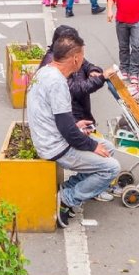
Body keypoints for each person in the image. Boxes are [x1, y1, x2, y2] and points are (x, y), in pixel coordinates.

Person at [26, 33, 120, 229]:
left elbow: (59, 120)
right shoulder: (58, 83)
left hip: (50, 136)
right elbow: (67, 130)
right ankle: (68, 198)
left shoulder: (45, 71)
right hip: (54, 146)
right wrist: (91, 145)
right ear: (76, 58)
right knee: (111, 168)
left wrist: (77, 128)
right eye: (82, 56)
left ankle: (69, 186)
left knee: (108, 148)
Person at [39, 25, 107, 123]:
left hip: (81, 112)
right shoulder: (52, 65)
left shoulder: (70, 54)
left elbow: (87, 65)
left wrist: (93, 71)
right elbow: (74, 89)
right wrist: (101, 78)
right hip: (72, 116)